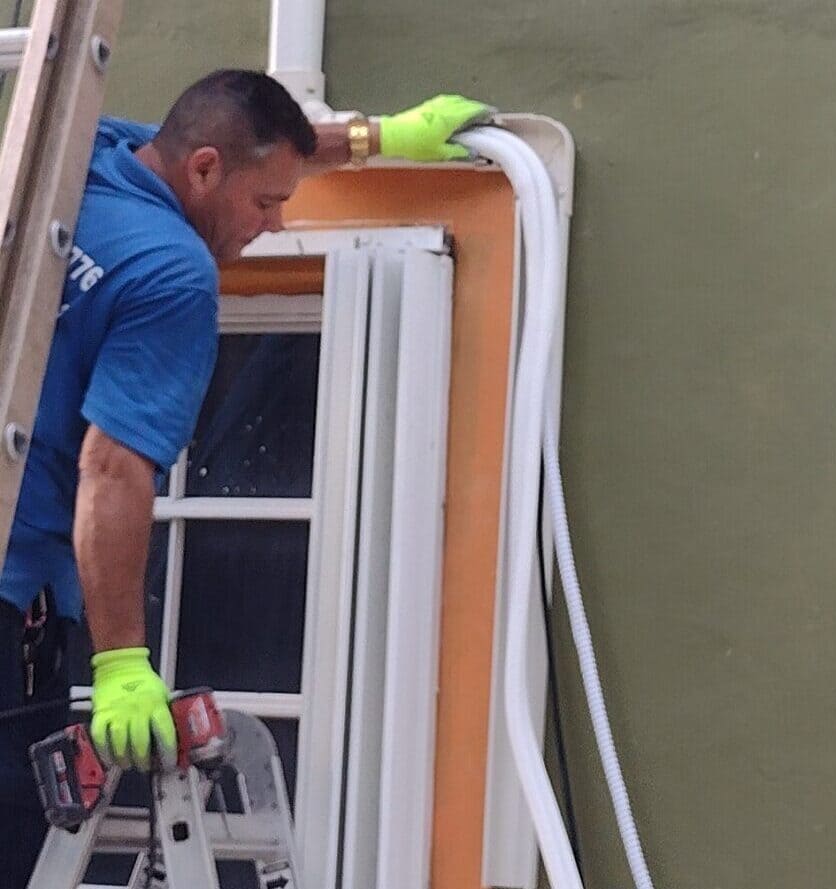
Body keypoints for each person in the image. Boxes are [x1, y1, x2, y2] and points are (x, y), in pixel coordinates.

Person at [0, 69, 492, 887]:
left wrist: (378, 140)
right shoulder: (173, 273)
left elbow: (233, 136)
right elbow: (112, 466)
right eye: (266, 205)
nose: (276, 223)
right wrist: (120, 660)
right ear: (201, 173)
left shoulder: (89, 158)